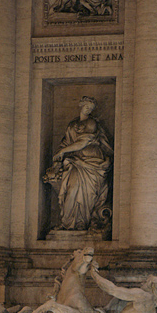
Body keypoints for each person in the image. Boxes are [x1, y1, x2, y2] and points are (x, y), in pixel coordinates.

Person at [44, 96, 113, 232]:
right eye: (87, 106)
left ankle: (82, 222)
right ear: (81, 105)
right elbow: (66, 142)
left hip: (91, 162)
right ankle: (68, 223)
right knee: (72, 189)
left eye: (91, 108)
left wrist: (64, 151)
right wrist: (60, 154)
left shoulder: (91, 123)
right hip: (74, 161)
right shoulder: (72, 124)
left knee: (86, 193)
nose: (88, 110)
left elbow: (83, 142)